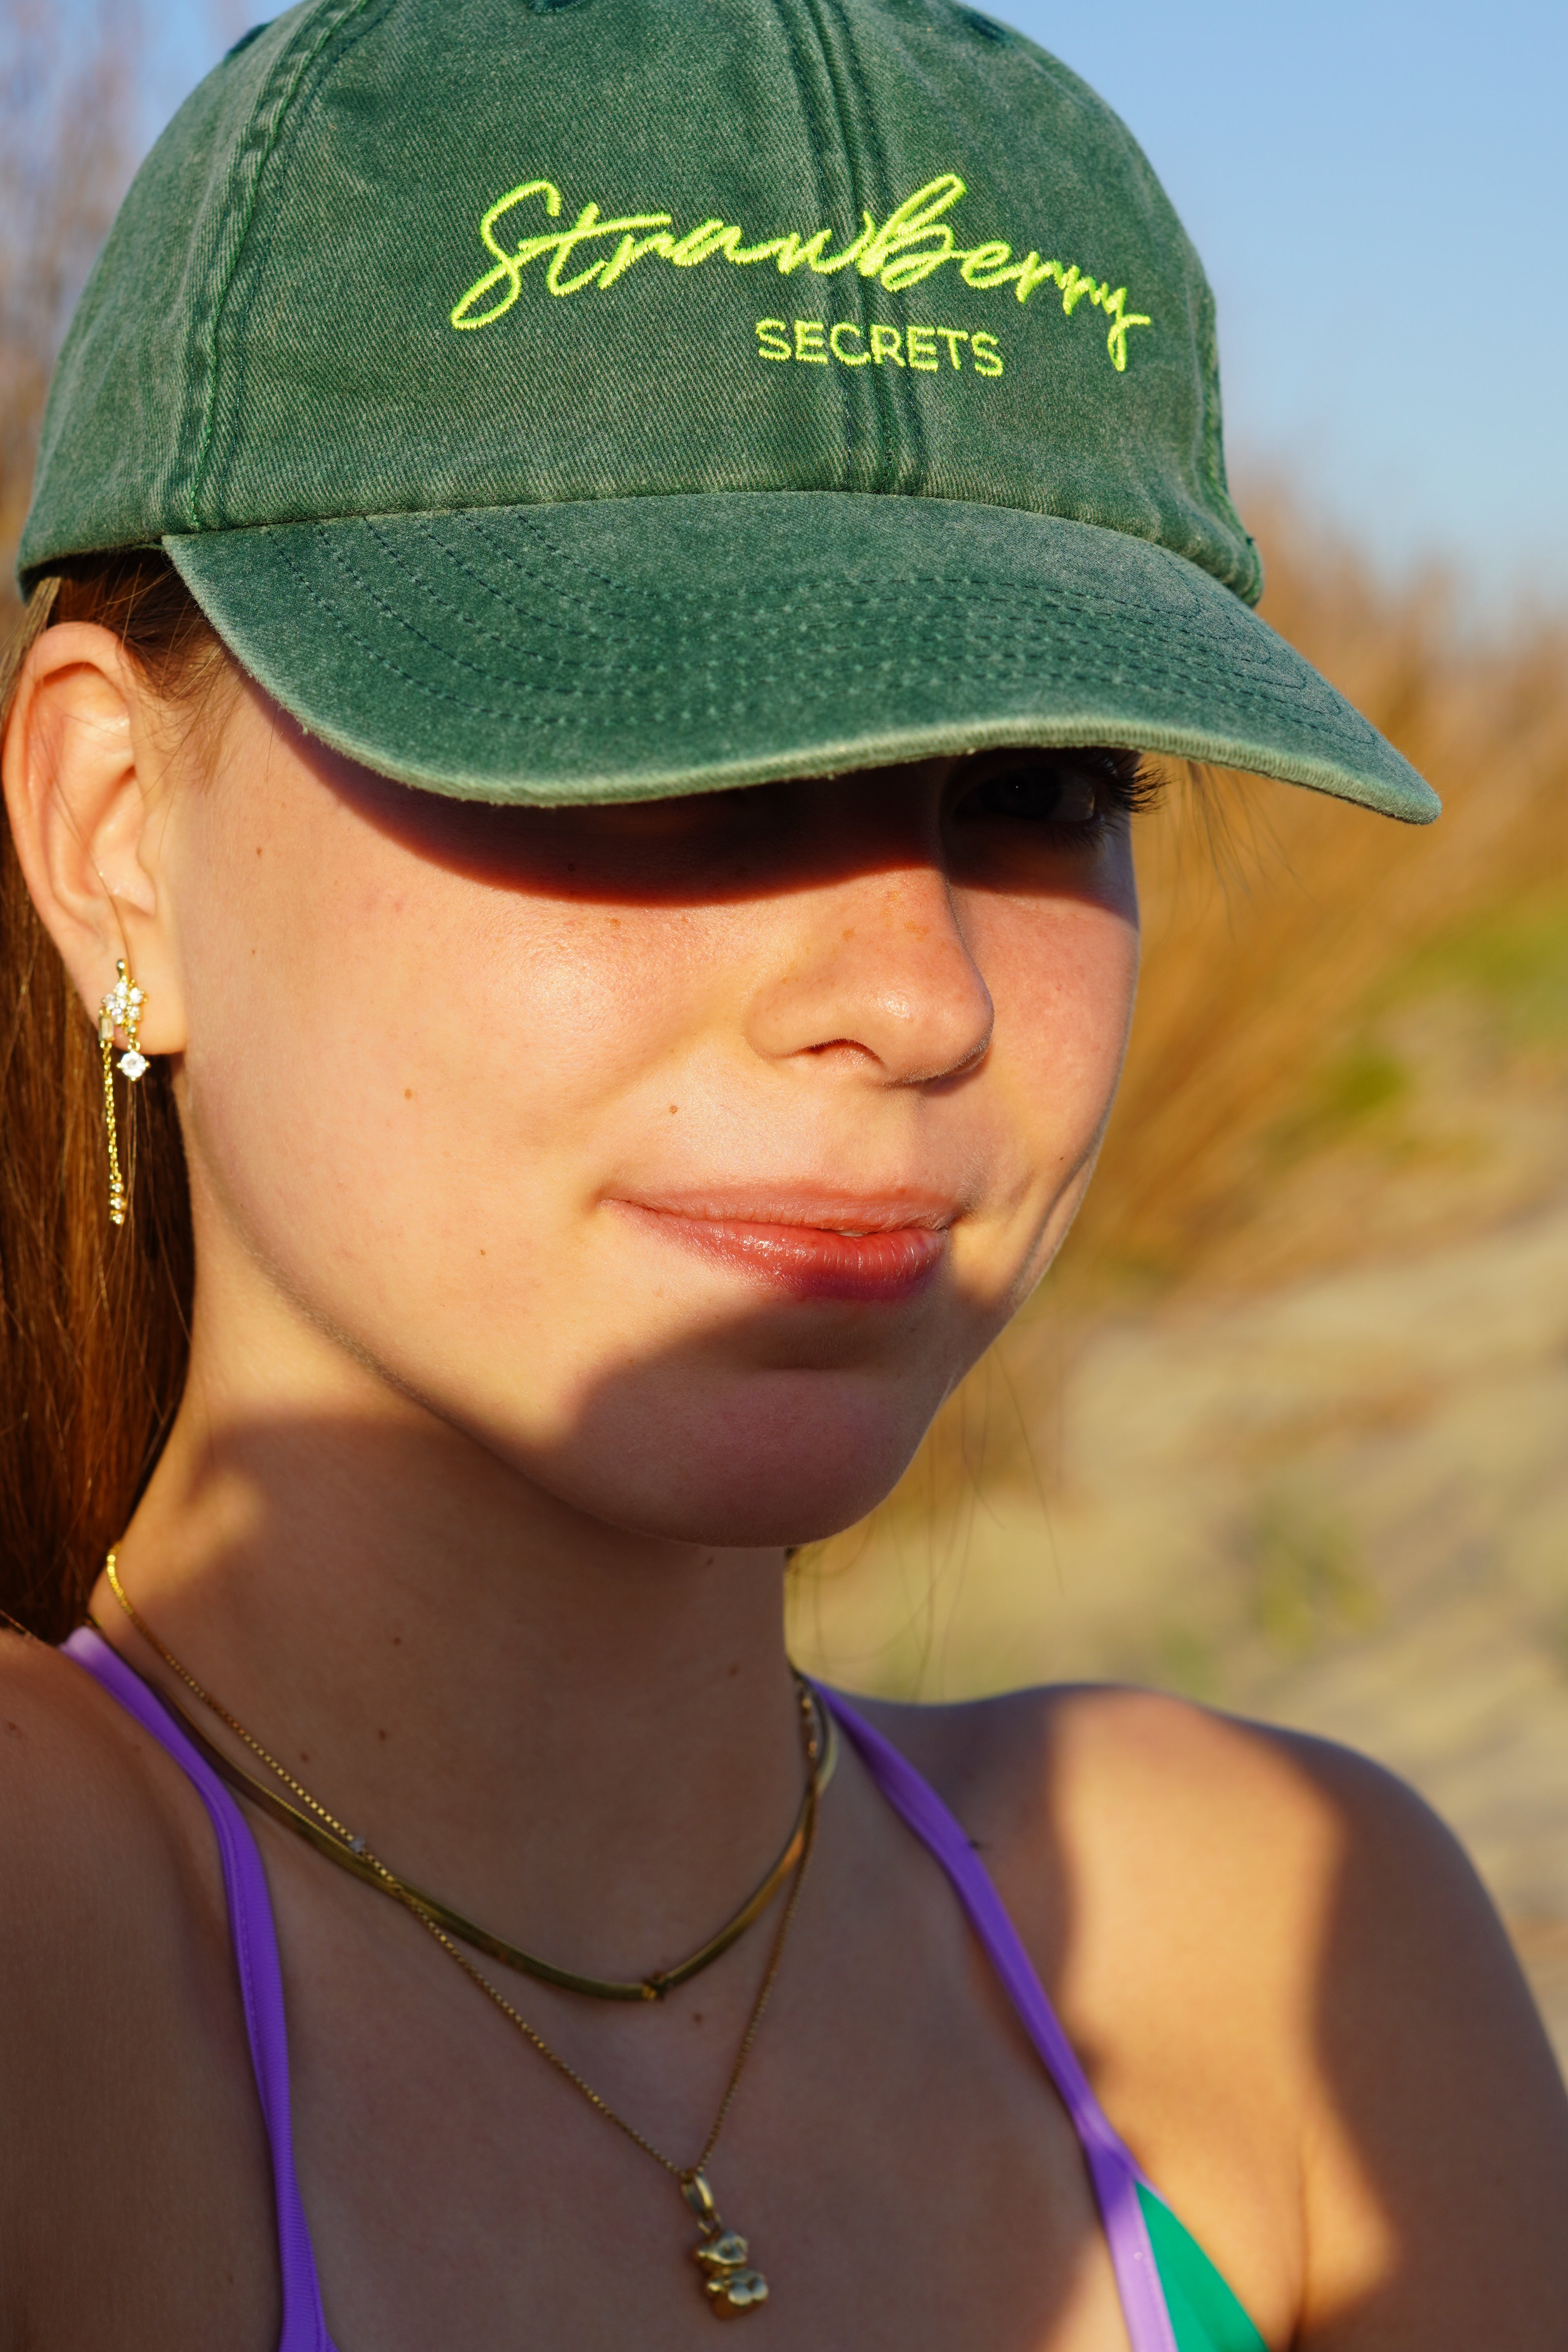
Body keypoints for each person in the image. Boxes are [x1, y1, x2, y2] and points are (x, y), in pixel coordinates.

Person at [2, 1, 1564, 2345]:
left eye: (1041, 792)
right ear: (122, 844)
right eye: (652, 751)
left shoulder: (1303, 1956)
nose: (916, 994)